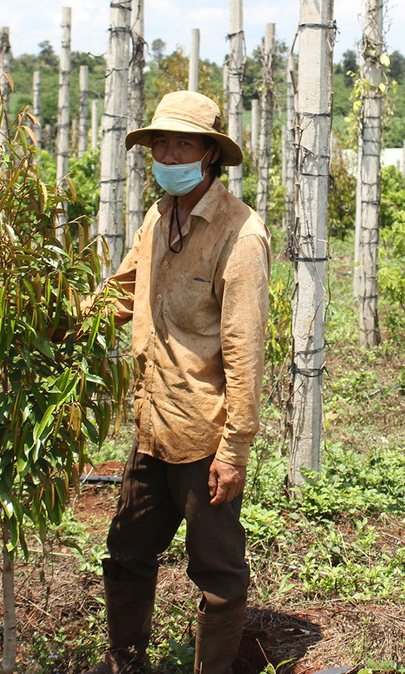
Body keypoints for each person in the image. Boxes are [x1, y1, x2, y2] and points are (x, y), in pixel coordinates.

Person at [85, 90, 271, 674]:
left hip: (204, 436)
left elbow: (245, 350)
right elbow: (118, 293)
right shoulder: (157, 216)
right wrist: (50, 318)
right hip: (152, 423)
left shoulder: (241, 238)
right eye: (159, 142)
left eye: (182, 143)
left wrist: (234, 450)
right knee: (126, 554)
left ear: (210, 156)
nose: (167, 153)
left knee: (216, 574)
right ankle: (126, 663)